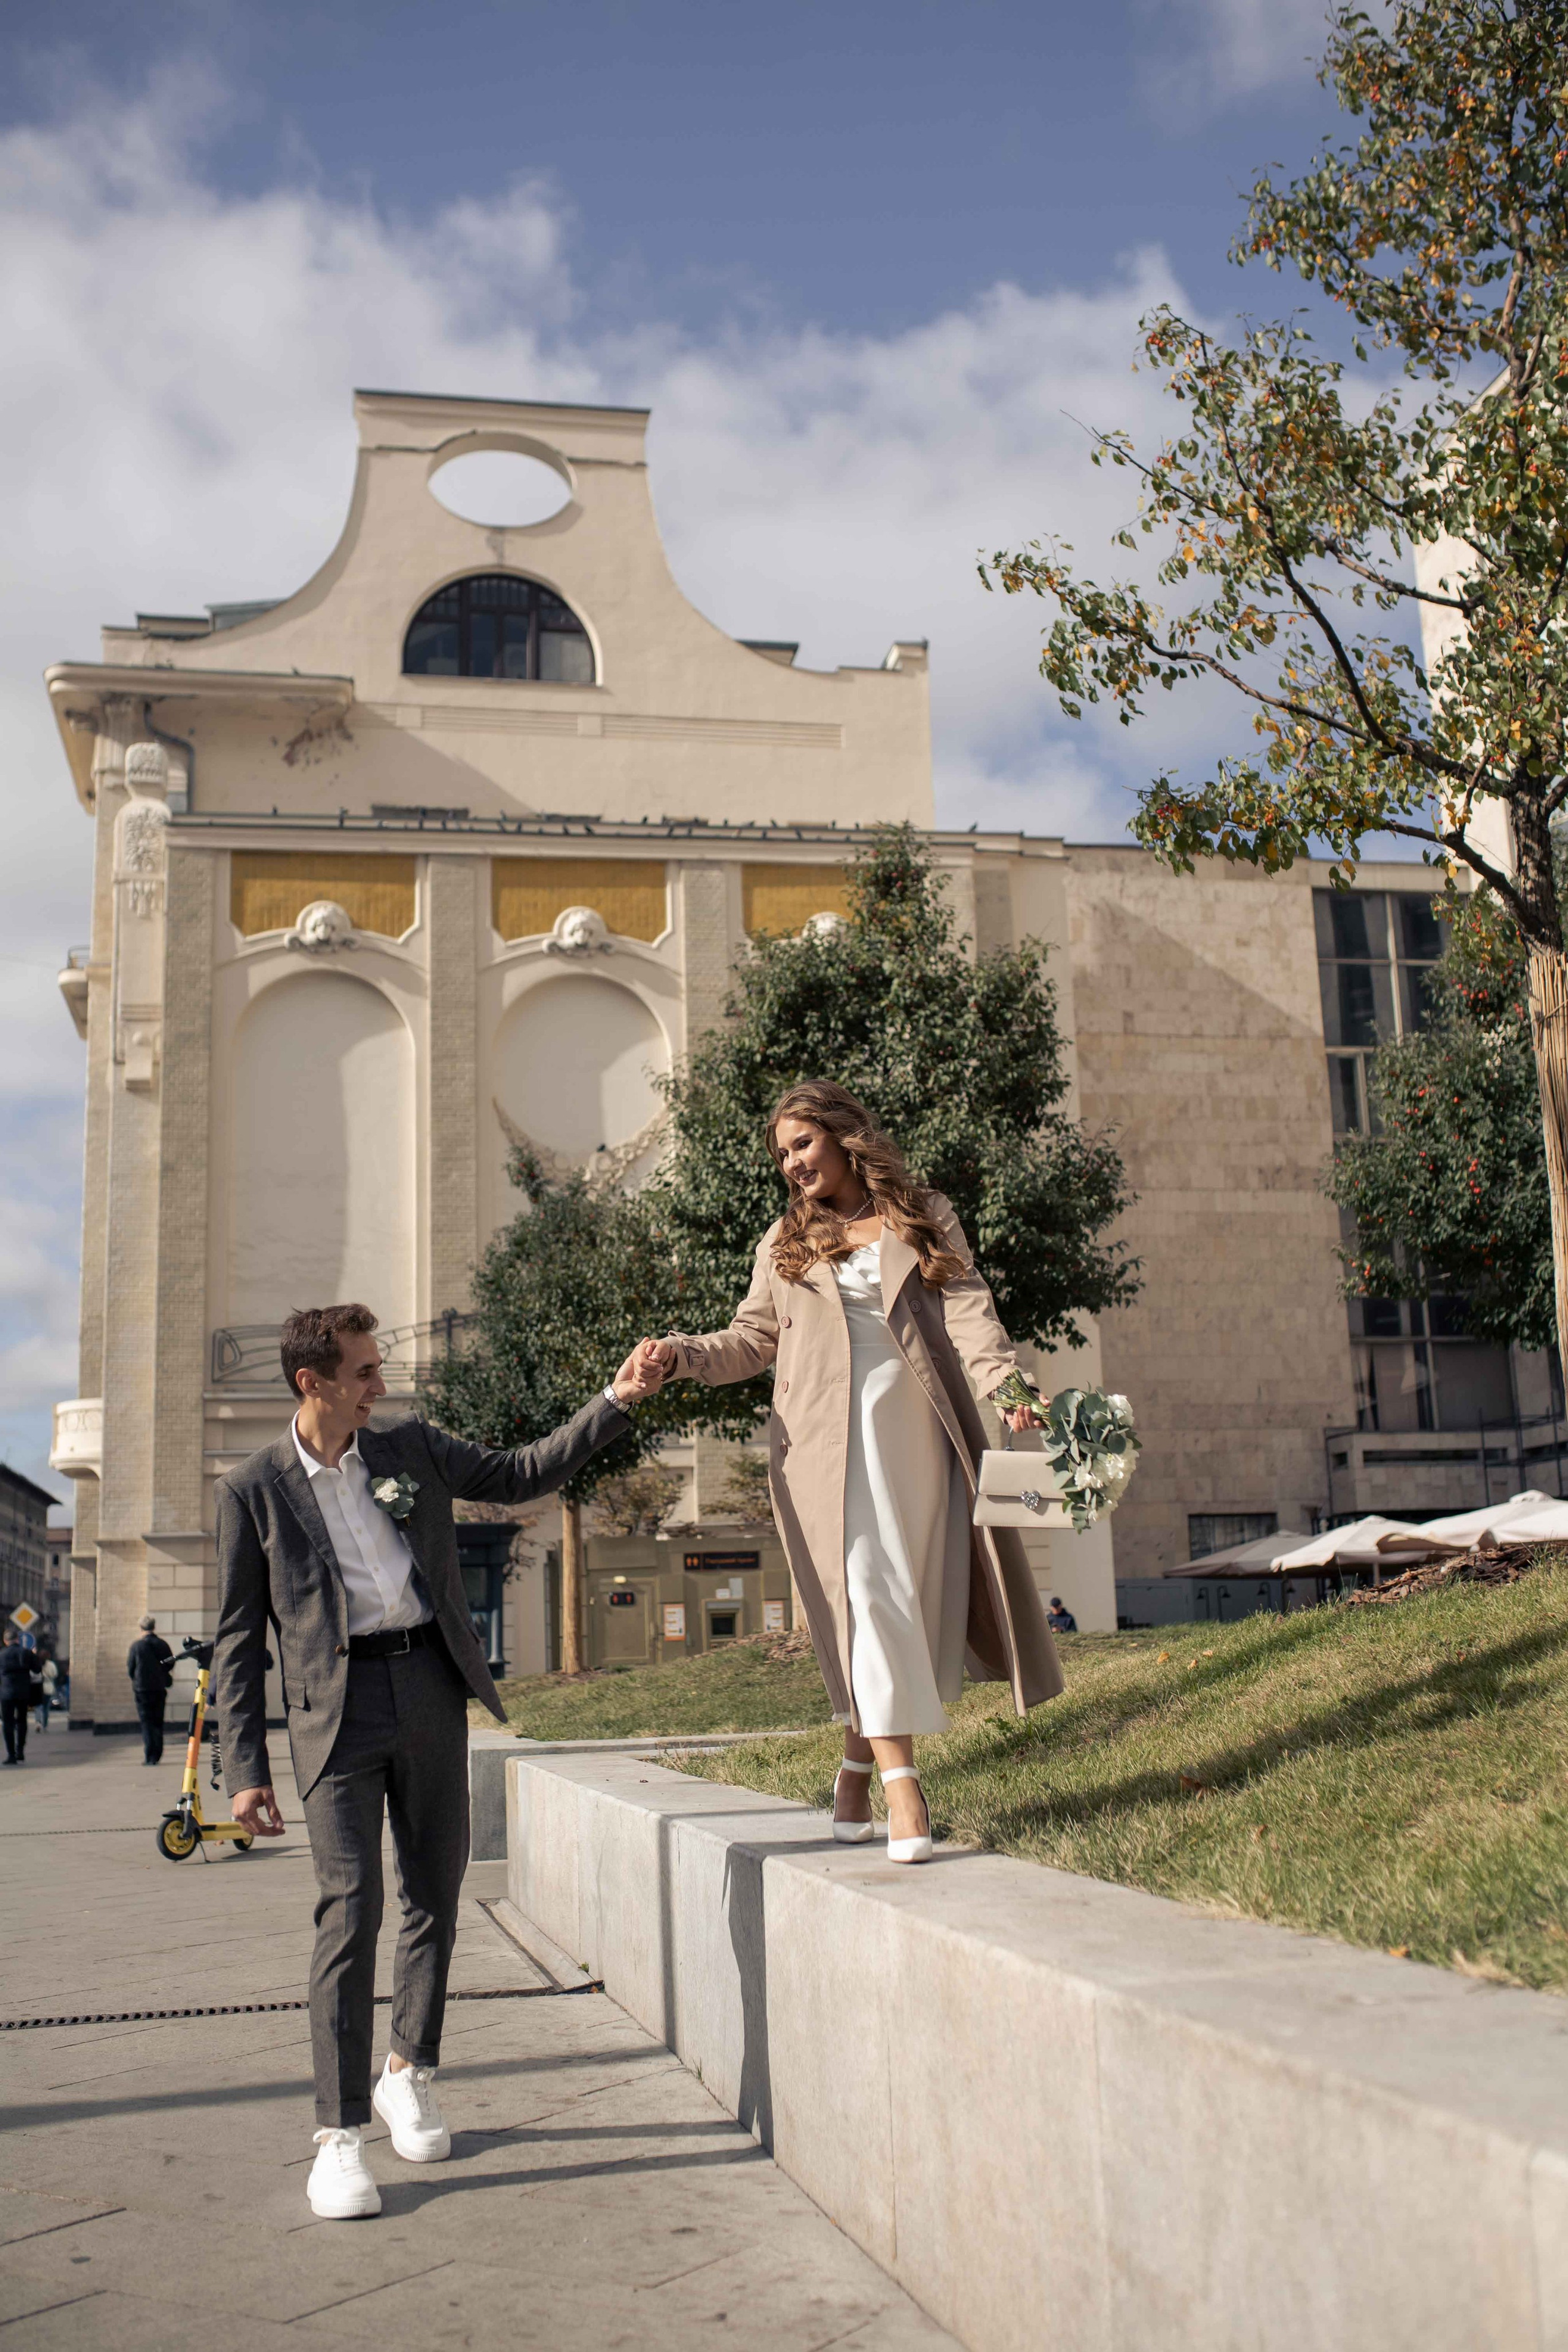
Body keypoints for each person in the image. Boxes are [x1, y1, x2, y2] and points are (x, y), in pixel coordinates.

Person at [213, 1301, 666, 2223]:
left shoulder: (408, 1448)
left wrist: (616, 1400)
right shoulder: (251, 1490)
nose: (380, 1386)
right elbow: (236, 1638)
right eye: (364, 1372)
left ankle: (408, 2070)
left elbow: (522, 1472)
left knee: (433, 1893)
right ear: (312, 1383)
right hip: (334, 1716)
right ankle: (339, 2135)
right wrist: (244, 1767)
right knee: (351, 1910)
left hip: (428, 1686)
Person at [643, 1080, 1063, 1865]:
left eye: (801, 1144)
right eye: (781, 1154)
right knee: (867, 1598)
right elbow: (750, 1340)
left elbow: (970, 1308)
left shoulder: (922, 1212)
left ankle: (852, 1772)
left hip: (919, 1434)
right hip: (822, 1447)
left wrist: (1007, 1387)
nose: (791, 1164)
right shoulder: (784, 1240)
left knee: (906, 1602)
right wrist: (681, 1355)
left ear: (842, 1135)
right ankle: (905, 1789)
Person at [127, 1615, 175, 1763]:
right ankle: (158, 1754)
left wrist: (138, 1679)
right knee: (158, 1721)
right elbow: (171, 1663)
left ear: (141, 1628)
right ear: (154, 1627)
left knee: (146, 1722)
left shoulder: (136, 1647)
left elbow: (131, 1668)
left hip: (142, 1689)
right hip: (159, 1688)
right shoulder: (162, 1644)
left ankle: (150, 1755)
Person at [1, 1628, 32, 1765]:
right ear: (18, 1640)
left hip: (6, 1693)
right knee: (22, 1721)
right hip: (23, 1693)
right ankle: (20, 1751)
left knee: (7, 1723)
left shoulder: (1, 1655)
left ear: (5, 1641)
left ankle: (11, 1755)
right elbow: (37, 1669)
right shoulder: (26, 1653)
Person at [35, 1653, 59, 1732]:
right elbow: (55, 1674)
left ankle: (38, 1723)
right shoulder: (51, 1664)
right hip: (48, 1688)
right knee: (46, 1707)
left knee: (38, 1707)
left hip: (39, 1687)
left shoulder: (37, 1664)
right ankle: (45, 1726)